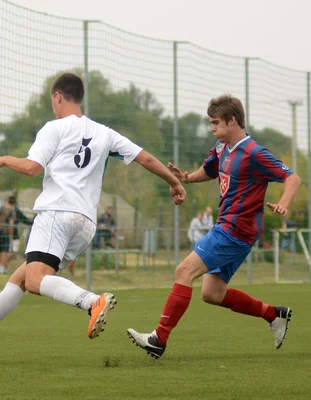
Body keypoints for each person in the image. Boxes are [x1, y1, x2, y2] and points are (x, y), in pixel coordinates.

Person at [0, 72, 185, 354]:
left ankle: (92, 301)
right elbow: (146, 158)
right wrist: (174, 182)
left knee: (33, 280)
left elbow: (33, 167)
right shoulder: (105, 133)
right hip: (85, 225)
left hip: (56, 212)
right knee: (20, 279)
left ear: (57, 97)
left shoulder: (53, 128)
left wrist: (6, 159)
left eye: (52, 100)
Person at [126, 94, 302, 359]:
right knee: (212, 293)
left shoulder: (254, 152)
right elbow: (210, 170)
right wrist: (188, 178)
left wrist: (284, 203)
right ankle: (273, 314)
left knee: (183, 270)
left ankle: (158, 339)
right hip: (229, 228)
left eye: (216, 123)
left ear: (233, 121)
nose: (212, 128)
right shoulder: (222, 148)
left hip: (235, 229)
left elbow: (292, 177)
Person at [0, 196, 17, 274]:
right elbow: (11, 223)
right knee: (5, 250)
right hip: (6, 232)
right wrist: (11, 233)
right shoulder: (12, 211)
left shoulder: (1, 209)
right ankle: (2, 267)